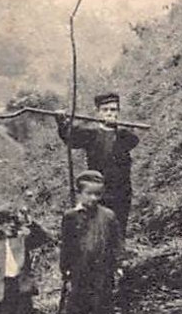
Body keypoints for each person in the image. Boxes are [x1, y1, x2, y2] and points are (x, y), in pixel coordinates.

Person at [58, 170, 120, 314]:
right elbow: (66, 246)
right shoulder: (70, 217)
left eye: (98, 194)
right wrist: (65, 269)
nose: (94, 198)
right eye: (89, 194)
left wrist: (116, 268)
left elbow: (115, 247)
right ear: (80, 194)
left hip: (102, 277)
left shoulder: (109, 217)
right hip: (80, 276)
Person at [56, 92, 139, 229]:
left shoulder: (123, 133)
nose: (109, 113)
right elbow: (70, 139)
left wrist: (114, 127)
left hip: (121, 190)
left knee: (118, 227)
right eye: (105, 110)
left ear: (118, 112)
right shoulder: (90, 133)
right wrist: (62, 122)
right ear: (98, 112)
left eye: (113, 110)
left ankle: (118, 250)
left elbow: (133, 141)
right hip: (97, 189)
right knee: (98, 227)